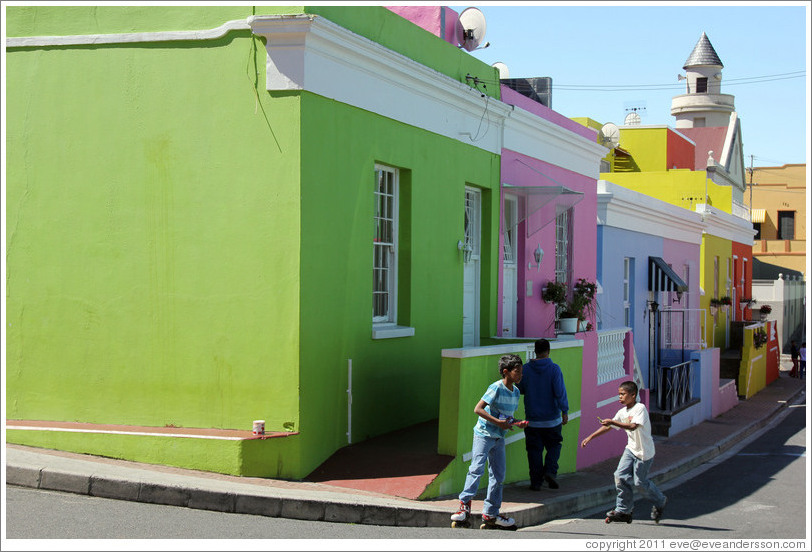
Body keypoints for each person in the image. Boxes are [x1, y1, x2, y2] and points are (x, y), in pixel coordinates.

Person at [450, 354, 523, 529]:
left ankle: (490, 513)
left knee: (498, 476)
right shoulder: (496, 387)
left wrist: (516, 423)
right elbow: (478, 409)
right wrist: (499, 423)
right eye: (517, 371)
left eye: (521, 372)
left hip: (499, 438)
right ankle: (464, 507)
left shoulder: (517, 392)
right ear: (506, 372)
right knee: (476, 469)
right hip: (484, 434)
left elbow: (506, 417)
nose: (520, 375)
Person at [580, 380, 667, 523]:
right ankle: (624, 510)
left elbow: (632, 426)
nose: (620, 397)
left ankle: (660, 501)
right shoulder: (622, 412)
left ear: (633, 395)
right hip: (631, 449)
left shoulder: (640, 408)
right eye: (619, 395)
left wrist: (613, 422)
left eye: (622, 394)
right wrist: (590, 437)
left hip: (644, 452)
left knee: (640, 483)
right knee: (619, 476)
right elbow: (609, 426)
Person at [518, 338, 569, 491]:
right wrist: (564, 410)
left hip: (532, 420)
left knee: (534, 451)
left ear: (535, 351)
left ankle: (536, 482)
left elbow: (520, 389)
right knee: (554, 446)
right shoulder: (554, 369)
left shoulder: (526, 369)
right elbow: (560, 392)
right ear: (548, 351)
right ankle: (550, 471)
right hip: (552, 420)